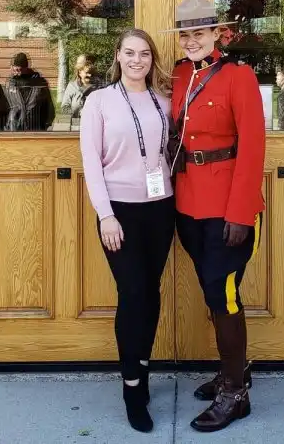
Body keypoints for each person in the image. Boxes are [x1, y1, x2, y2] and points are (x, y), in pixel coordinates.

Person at [165, 0, 265, 433]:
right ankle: (233, 371)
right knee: (212, 292)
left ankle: (235, 395)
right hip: (188, 204)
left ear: (217, 34)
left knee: (223, 295)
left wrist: (241, 212)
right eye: (184, 35)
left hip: (227, 207)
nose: (191, 41)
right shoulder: (179, 74)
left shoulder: (239, 76)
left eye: (199, 33)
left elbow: (253, 147)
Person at [80, 29, 175, 433]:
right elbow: (91, 161)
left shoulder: (164, 101)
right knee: (133, 293)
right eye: (130, 53)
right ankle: (131, 387)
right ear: (118, 56)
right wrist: (105, 215)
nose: (138, 60)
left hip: (160, 208)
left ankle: (144, 368)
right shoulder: (99, 101)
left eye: (145, 54)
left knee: (150, 292)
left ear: (152, 59)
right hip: (119, 212)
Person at [4, 52, 56, 131]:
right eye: (14, 70)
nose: (16, 73)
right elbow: (4, 106)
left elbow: (49, 107)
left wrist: (45, 125)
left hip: (35, 128)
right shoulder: (10, 84)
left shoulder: (40, 84)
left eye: (18, 70)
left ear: (26, 67)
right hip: (14, 129)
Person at [61, 54, 102, 129]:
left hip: (94, 126)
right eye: (87, 72)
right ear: (80, 72)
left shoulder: (98, 87)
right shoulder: (72, 86)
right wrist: (76, 113)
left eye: (91, 73)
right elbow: (64, 108)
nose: (89, 75)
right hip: (75, 126)